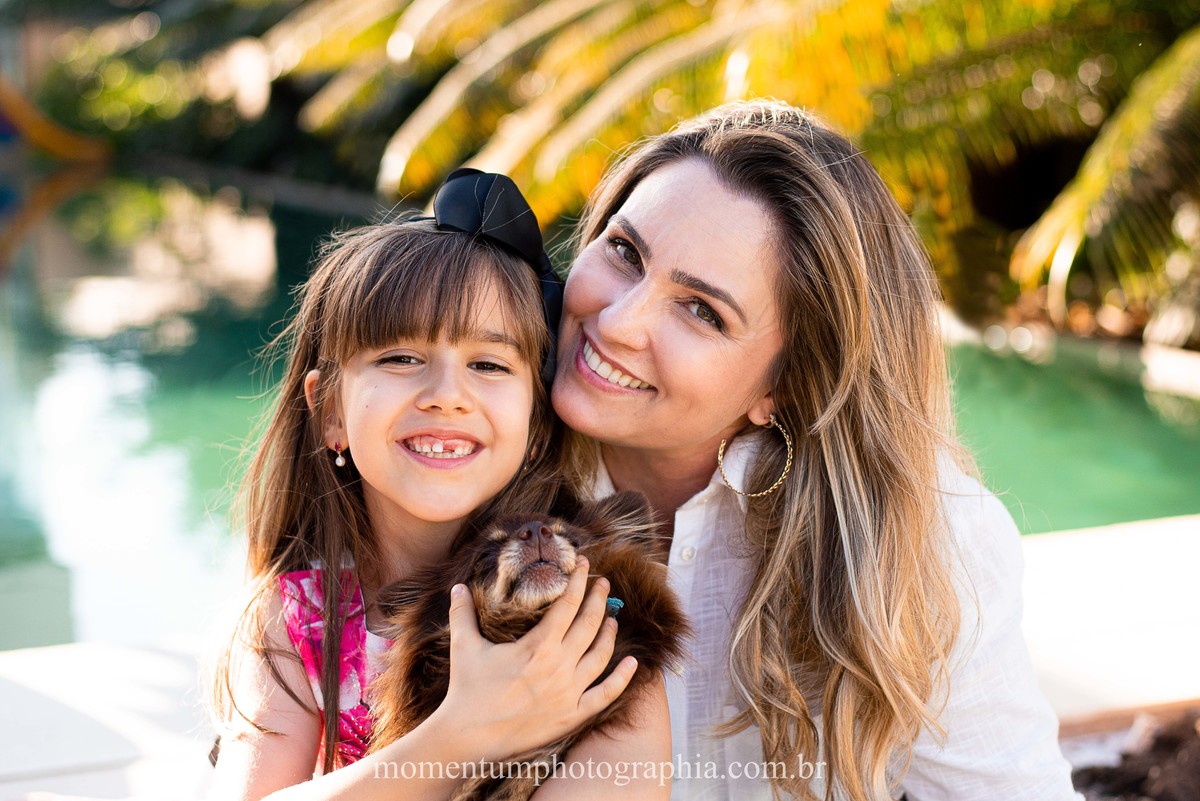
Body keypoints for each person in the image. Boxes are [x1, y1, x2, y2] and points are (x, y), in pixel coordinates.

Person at [550, 100, 1081, 800]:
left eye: (702, 310)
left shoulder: (922, 540)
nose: (618, 321)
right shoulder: (464, 453)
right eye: (625, 252)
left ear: (785, 385)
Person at [208, 169, 670, 801]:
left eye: (488, 364)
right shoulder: (297, 621)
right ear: (332, 413)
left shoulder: (598, 617)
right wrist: (456, 737)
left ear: (536, 423)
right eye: (400, 359)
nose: (448, 396)